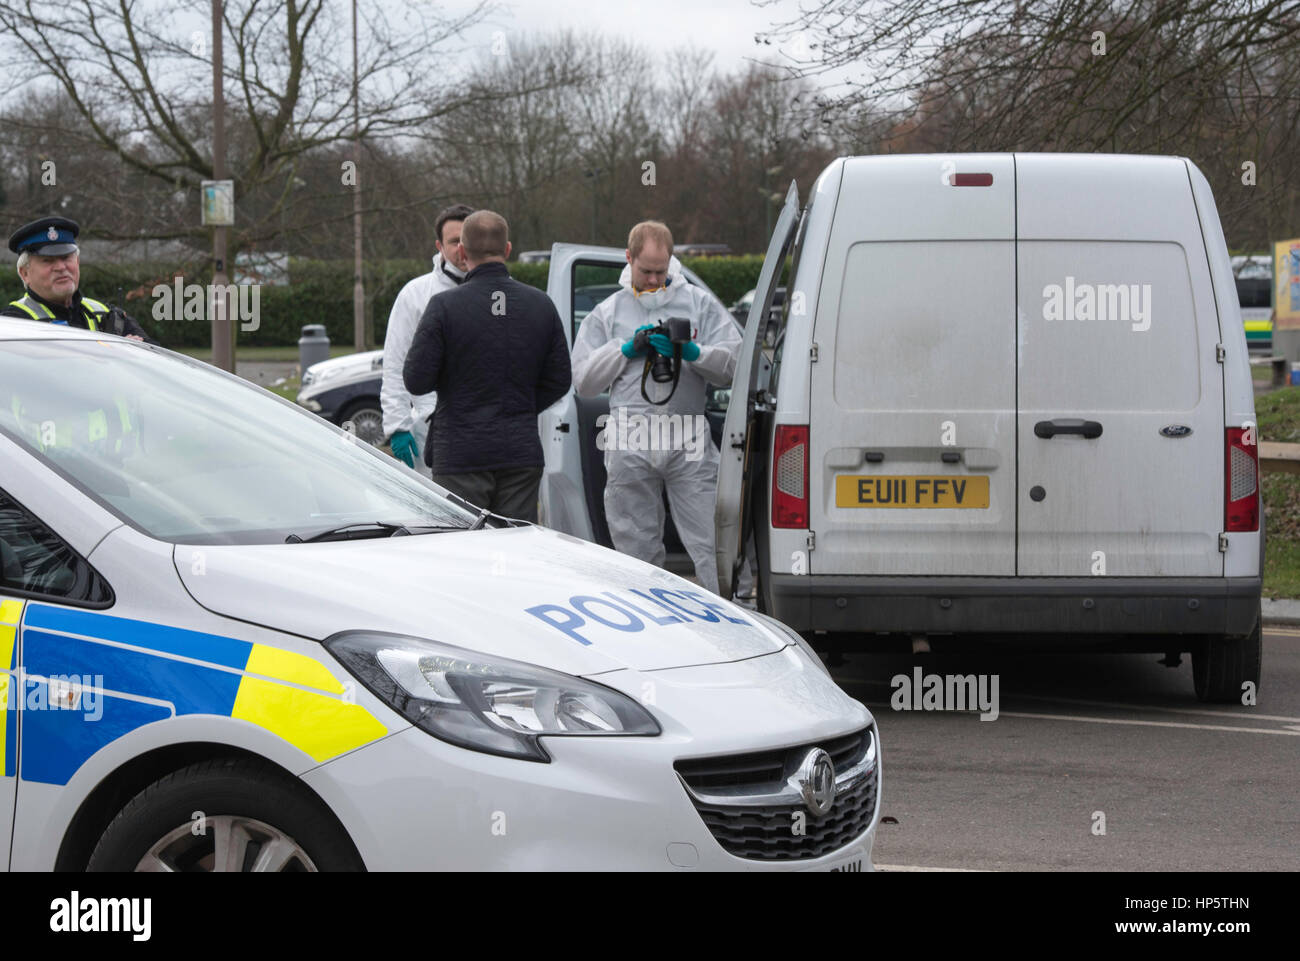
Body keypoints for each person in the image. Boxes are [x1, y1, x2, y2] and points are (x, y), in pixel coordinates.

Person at [571, 221, 740, 595]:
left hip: (687, 435)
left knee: (711, 538)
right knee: (634, 543)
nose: (653, 279)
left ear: (671, 262)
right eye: (645, 270)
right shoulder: (608, 311)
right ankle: (646, 616)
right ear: (628, 258)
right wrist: (625, 350)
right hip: (630, 436)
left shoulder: (698, 304)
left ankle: (731, 615)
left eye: (661, 271)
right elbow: (583, 380)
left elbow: (733, 366)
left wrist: (694, 353)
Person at [403, 210, 570, 521]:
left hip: (460, 453)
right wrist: (519, 406)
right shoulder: (540, 305)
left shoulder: (444, 307)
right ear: (507, 250)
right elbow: (560, 379)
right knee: (515, 547)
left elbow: (416, 380)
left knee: (464, 553)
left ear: (463, 252)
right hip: (519, 452)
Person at [381, 203, 474, 474]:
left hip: (487, 429)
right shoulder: (416, 295)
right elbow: (396, 362)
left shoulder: (500, 293)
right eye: (454, 241)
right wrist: (397, 426)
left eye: (467, 240)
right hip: (431, 427)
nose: (461, 248)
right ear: (439, 245)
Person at [3, 216, 151, 340]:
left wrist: (133, 350)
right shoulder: (13, 323)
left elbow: (152, 357)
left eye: (66, 258)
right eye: (48, 260)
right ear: (25, 273)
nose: (61, 267)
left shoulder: (106, 315)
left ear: (77, 262)